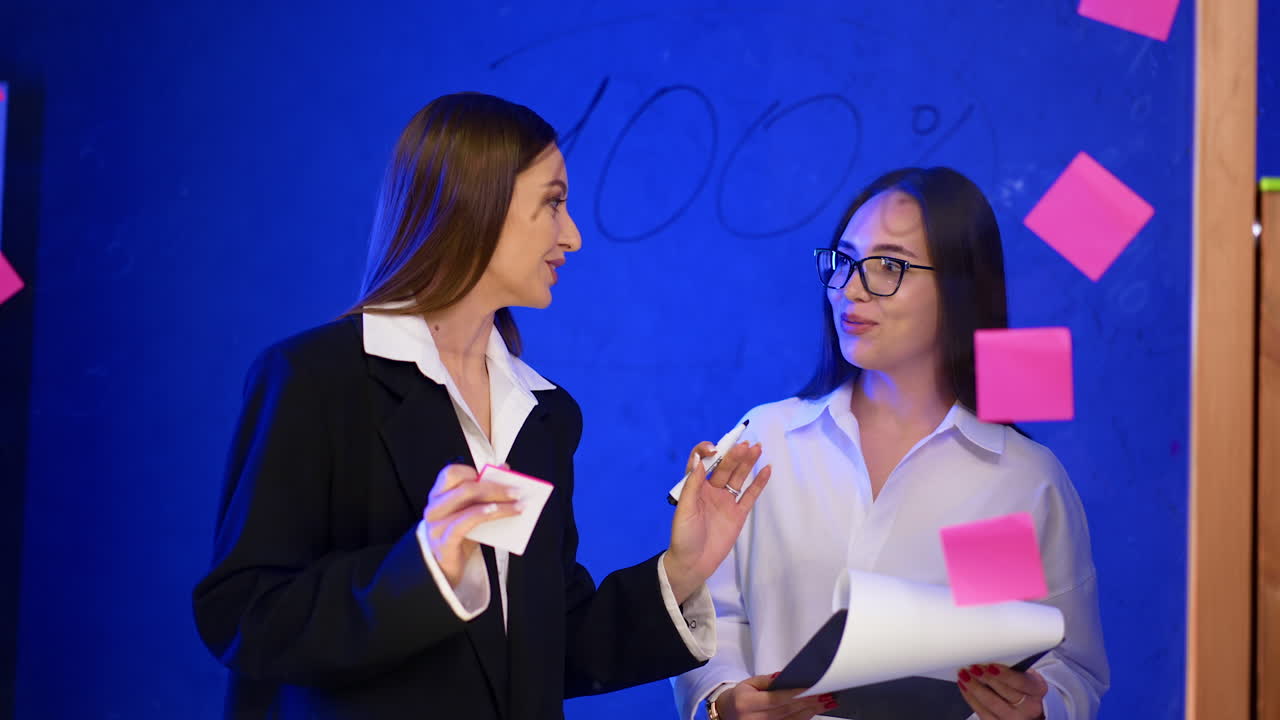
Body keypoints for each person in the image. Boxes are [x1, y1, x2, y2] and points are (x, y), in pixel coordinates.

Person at [192, 92, 771, 719]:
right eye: (552, 203)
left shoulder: (544, 415)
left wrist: (681, 571)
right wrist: (421, 569)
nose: (572, 236)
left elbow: (545, 647)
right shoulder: (312, 379)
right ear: (476, 203)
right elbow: (245, 613)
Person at [672, 167, 1109, 720]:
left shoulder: (1016, 477)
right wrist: (723, 701)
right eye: (845, 261)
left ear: (959, 286)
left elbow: (1068, 666)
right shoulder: (768, 442)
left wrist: (1038, 709)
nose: (851, 290)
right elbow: (712, 613)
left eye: (888, 266)